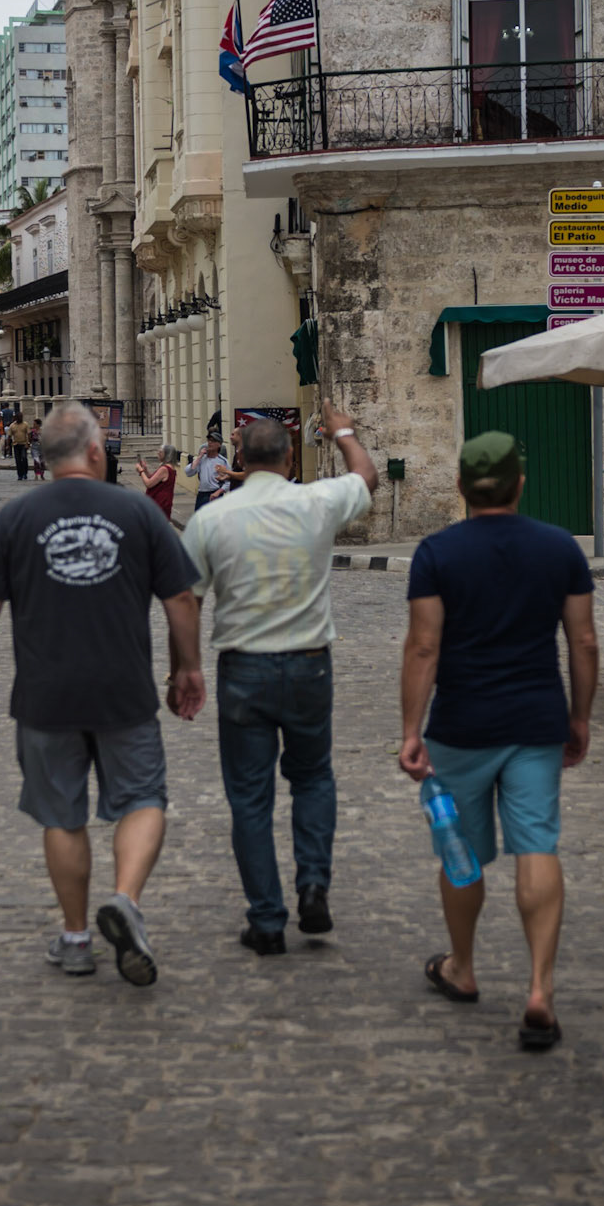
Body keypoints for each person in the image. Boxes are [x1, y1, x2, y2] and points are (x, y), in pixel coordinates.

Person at [0, 400, 205, 985]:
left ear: (41, 461)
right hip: (123, 689)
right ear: (96, 452)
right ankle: (124, 899)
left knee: (61, 815)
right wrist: (187, 668)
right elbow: (183, 600)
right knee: (144, 798)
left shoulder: (17, 518)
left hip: (45, 694)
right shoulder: (137, 513)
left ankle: (74, 939)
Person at [399, 431, 596, 1051]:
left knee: (460, 852)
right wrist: (581, 716)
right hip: (536, 720)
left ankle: (462, 966)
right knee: (537, 843)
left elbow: (424, 646)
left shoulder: (436, 553)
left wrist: (411, 729)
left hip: (461, 725)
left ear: (459, 486)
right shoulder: (559, 548)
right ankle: (540, 988)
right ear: (520, 483)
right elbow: (584, 642)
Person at [184, 400, 377, 955]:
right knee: (314, 777)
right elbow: (364, 476)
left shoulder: (211, 518)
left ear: (238, 457)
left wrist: (186, 668)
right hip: (309, 662)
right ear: (291, 458)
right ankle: (313, 883)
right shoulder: (316, 501)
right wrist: (342, 431)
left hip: (243, 666)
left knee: (249, 797)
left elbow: (186, 599)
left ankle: (266, 918)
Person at [137, 444, 179, 520]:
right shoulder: (168, 467)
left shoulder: (164, 469)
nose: (158, 453)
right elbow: (153, 479)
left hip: (160, 502)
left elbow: (149, 484)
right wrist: (145, 470)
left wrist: (141, 471)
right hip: (164, 502)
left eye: (160, 452)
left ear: (167, 454)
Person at [185, 436, 226, 510]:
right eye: (209, 440)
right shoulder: (201, 460)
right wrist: (199, 456)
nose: (210, 443)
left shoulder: (223, 461)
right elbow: (189, 472)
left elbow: (228, 482)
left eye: (213, 441)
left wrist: (219, 492)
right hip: (202, 494)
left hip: (215, 494)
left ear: (219, 445)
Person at [10, 412, 31, 481]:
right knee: (18, 460)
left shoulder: (25, 424)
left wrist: (28, 443)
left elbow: (28, 434)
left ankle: (25, 472)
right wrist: (8, 445)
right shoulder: (12, 425)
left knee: (24, 458)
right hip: (16, 444)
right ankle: (20, 474)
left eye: (21, 417)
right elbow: (10, 436)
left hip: (23, 444)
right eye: (19, 417)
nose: (20, 418)